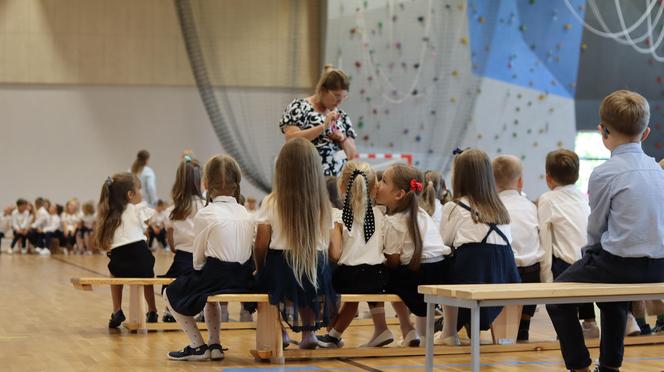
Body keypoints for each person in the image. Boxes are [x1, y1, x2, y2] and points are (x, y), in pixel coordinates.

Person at [546, 90, 664, 372]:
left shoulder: (604, 173)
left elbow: (596, 228)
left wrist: (588, 257)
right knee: (612, 295)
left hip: (620, 264)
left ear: (602, 131)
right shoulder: (659, 171)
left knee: (555, 298)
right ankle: (609, 365)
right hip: (659, 265)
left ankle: (580, 366)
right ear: (646, 133)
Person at [165, 155, 255, 361]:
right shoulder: (245, 212)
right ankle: (215, 345)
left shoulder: (206, 214)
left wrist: (199, 272)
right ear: (236, 184)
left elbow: (198, 259)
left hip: (217, 276)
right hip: (244, 279)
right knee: (209, 297)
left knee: (170, 293)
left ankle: (198, 346)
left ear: (206, 184)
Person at [254, 137, 338, 349]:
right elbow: (328, 245)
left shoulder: (271, 201)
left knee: (263, 282)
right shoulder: (323, 204)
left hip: (281, 266)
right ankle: (309, 333)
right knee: (306, 284)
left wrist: (258, 267)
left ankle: (279, 331)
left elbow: (261, 243)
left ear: (282, 169)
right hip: (318, 268)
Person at [439, 149, 520, 345]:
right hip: (505, 274)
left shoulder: (454, 206)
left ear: (459, 176)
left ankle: (448, 331)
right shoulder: (500, 206)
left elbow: (444, 242)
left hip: (473, 272)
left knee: (440, 264)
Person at [317, 161, 391, 349]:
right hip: (379, 276)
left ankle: (334, 334)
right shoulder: (381, 214)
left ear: (341, 187)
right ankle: (381, 328)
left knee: (348, 290)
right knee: (367, 285)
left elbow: (335, 253)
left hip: (349, 277)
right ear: (375, 188)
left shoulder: (338, 217)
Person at [379, 164, 451, 346]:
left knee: (380, 277)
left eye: (383, 181)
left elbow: (394, 262)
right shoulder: (422, 214)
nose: (378, 184)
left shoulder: (393, 222)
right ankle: (418, 333)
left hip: (419, 275)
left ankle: (407, 327)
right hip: (441, 269)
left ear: (399, 194)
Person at [538, 149, 598, 338]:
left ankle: (569, 327)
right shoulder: (583, 197)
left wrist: (545, 276)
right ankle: (590, 321)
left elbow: (545, 240)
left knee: (563, 264)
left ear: (548, 178)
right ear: (577, 174)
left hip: (565, 266)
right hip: (589, 261)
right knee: (579, 262)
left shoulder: (547, 199)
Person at [95, 173, 158, 328]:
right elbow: (147, 223)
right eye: (139, 189)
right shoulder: (137, 209)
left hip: (120, 262)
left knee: (114, 273)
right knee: (147, 274)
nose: (141, 192)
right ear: (130, 194)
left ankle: (117, 310)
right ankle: (152, 310)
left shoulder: (110, 214)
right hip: (142, 260)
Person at [493, 155, 545, 341]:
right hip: (532, 273)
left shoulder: (492, 207)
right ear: (520, 181)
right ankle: (524, 322)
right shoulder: (531, 206)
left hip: (505, 273)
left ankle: (502, 326)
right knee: (533, 264)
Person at [280, 65, 358, 176]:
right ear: (322, 90)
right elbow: (291, 139)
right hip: (306, 177)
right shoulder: (300, 107)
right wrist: (322, 127)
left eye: (343, 98)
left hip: (335, 182)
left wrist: (342, 138)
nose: (339, 102)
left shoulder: (342, 116)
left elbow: (351, 155)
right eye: (336, 96)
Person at [160, 156, 205, 323]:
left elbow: (171, 244)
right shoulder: (207, 206)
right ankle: (203, 311)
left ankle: (170, 312)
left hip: (183, 259)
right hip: (204, 260)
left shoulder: (172, 211)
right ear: (200, 181)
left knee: (168, 284)